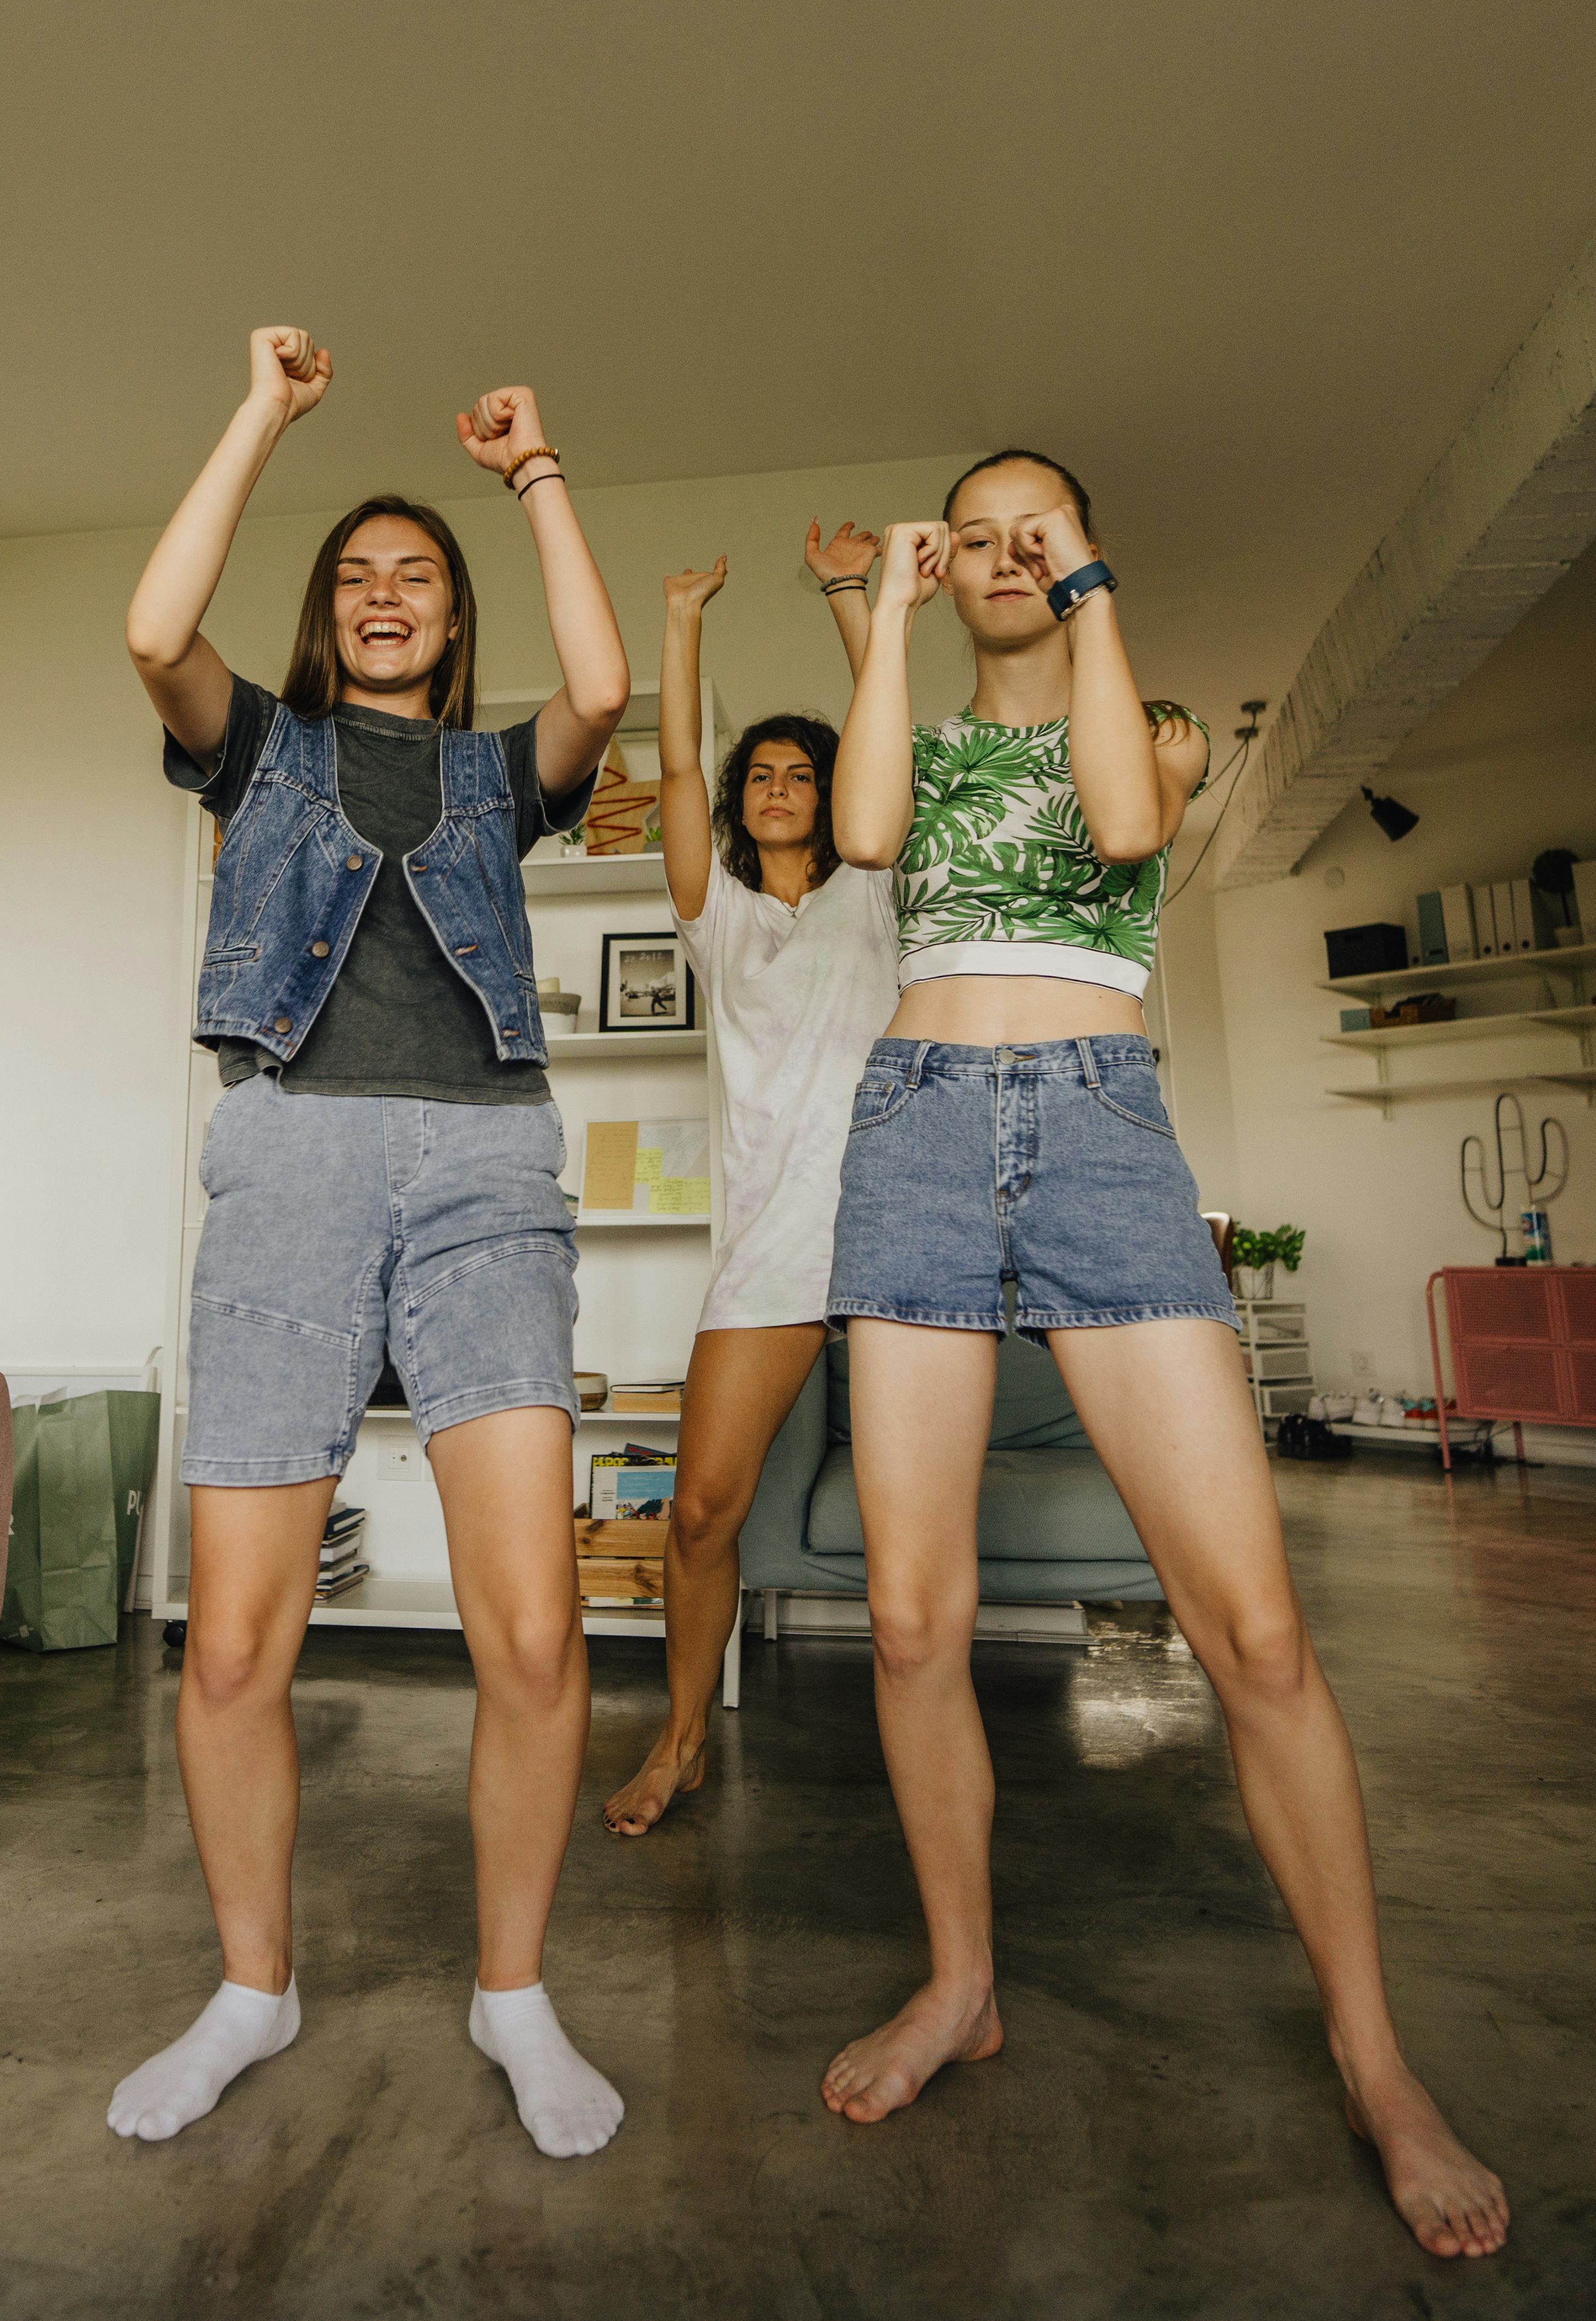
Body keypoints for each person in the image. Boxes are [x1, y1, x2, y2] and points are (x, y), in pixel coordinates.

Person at [820, 450, 1508, 2260]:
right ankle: (961, 1980)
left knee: (1258, 1636)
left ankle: (1375, 2061)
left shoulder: (1158, 715)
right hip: (910, 1128)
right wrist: (879, 614)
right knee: (908, 1619)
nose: (1000, 550)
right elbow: (871, 832)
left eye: (1030, 523)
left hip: (1104, 1129)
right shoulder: (926, 722)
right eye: (972, 531)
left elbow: (1126, 823)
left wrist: (1085, 584)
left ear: (1081, 550)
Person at [108, 324, 637, 2163]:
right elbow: (157, 634)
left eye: (418, 573)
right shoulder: (255, 745)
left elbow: (606, 679)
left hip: (490, 1167)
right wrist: (258, 408)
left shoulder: (507, 772)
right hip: (291, 1157)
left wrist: (539, 472)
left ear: (453, 615)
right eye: (357, 575)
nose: (386, 591)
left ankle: (514, 1993)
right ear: (329, 617)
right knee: (237, 1642)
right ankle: (253, 1989)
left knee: (537, 1634)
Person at [598, 523, 891, 1837]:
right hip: (772, 1244)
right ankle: (679, 1741)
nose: (778, 785)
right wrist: (679, 619)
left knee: (910, 1534)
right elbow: (669, 767)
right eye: (759, 772)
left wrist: (850, 594)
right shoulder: (715, 916)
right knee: (702, 1508)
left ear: (836, 793)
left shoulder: (878, 891)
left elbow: (893, 749)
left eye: (802, 770)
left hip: (893, 1233)